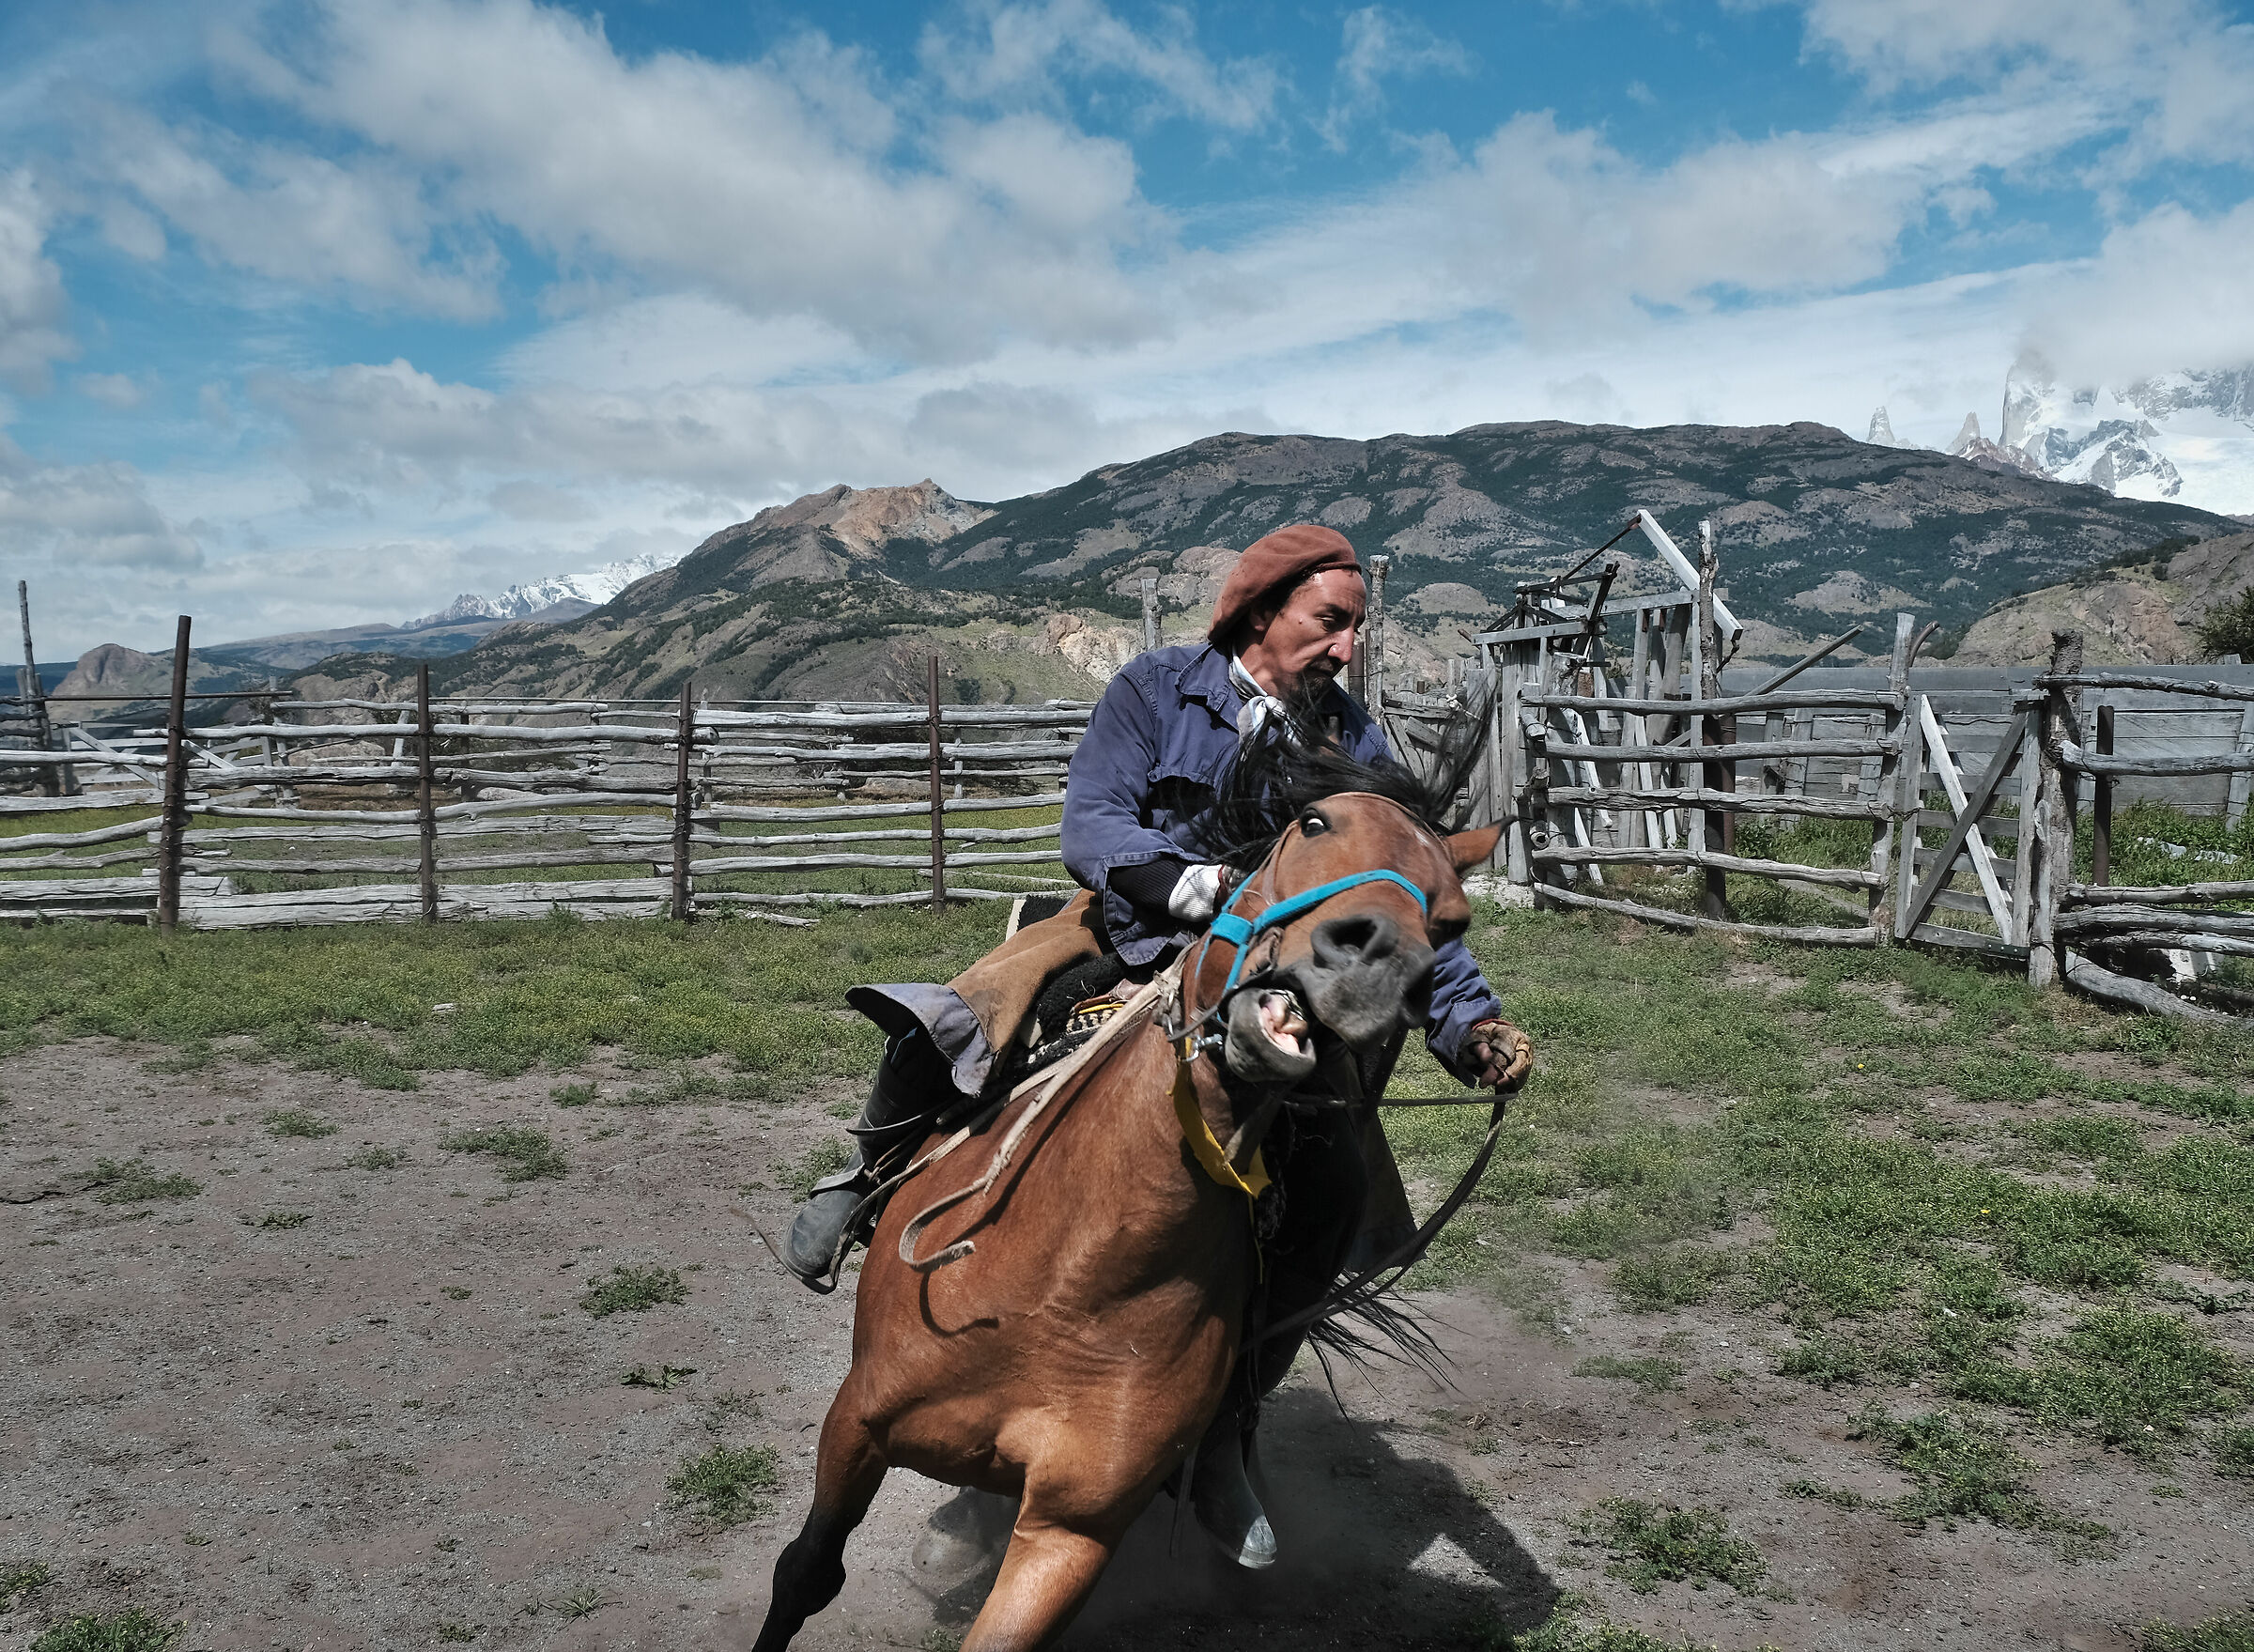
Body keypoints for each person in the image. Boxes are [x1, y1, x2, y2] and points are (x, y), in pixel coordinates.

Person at [782, 521, 1530, 1566]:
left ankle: (1221, 1421)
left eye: (1356, 627)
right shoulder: (1155, 692)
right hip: (1131, 936)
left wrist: (1468, 1022)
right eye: (1331, 621)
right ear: (1262, 612)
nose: (1347, 647)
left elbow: (1403, 902)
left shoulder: (1356, 745)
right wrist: (1208, 890)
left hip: (1274, 984)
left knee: (1328, 1194)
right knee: (967, 1014)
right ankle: (864, 1177)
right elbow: (1091, 825)